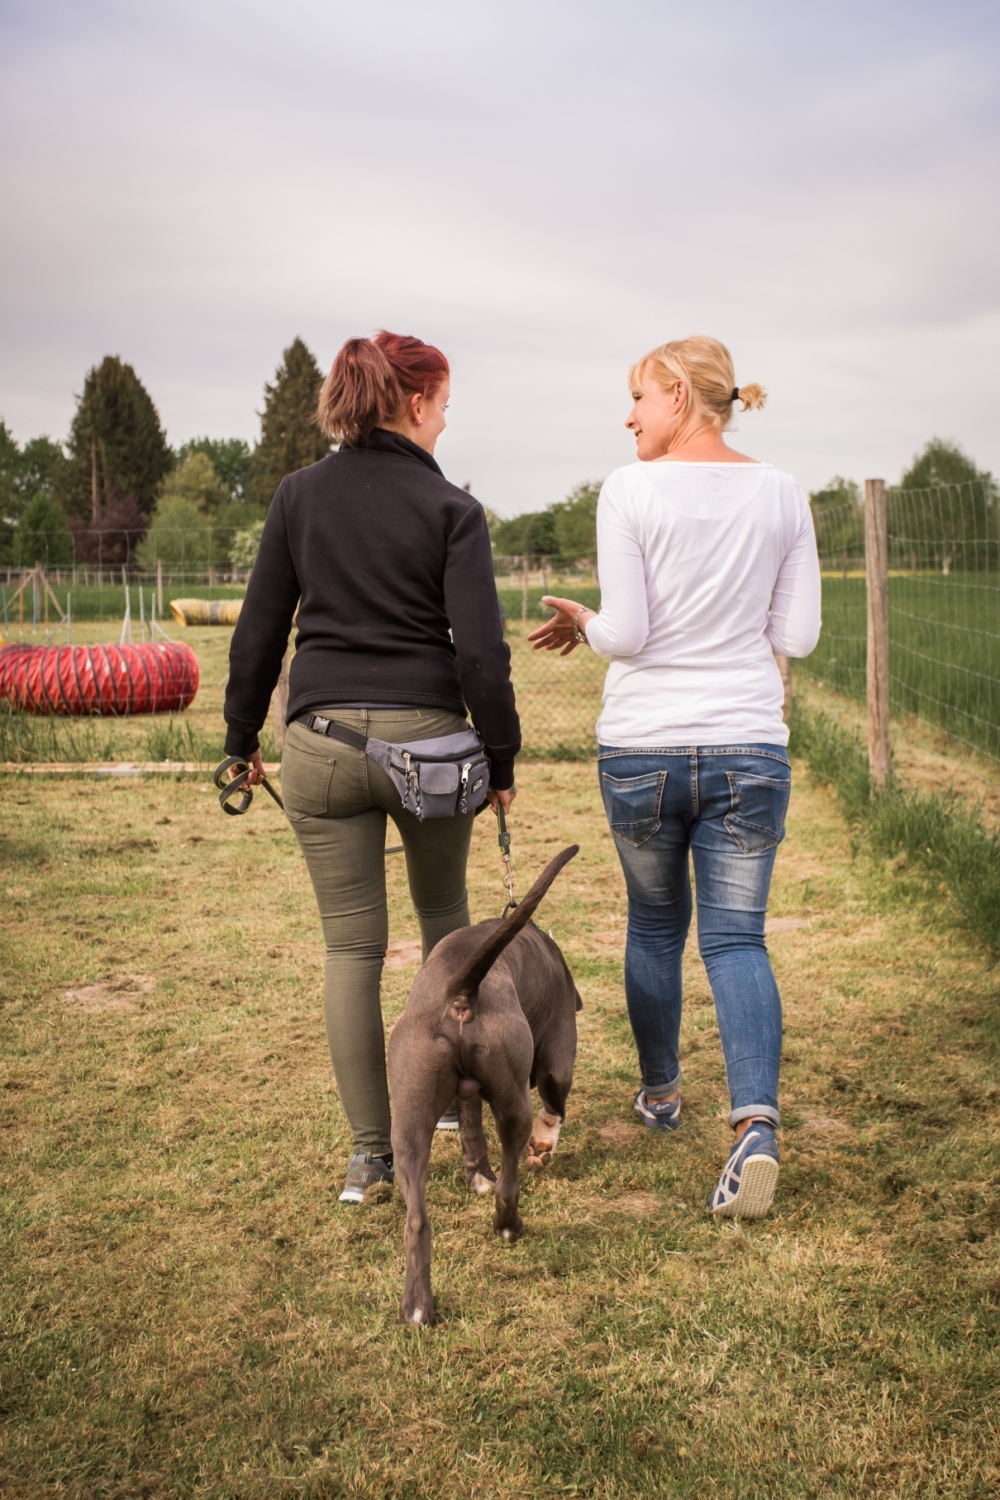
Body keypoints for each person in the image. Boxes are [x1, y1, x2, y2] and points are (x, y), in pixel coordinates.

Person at [224, 332, 520, 1205]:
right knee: (448, 935)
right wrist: (499, 758)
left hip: (318, 744)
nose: (445, 421)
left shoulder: (296, 496)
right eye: (446, 406)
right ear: (419, 404)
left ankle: (370, 1157)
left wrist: (241, 741)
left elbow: (259, 632)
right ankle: (451, 1121)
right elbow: (481, 658)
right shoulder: (451, 509)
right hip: (430, 751)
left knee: (350, 947)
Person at [528, 335, 820, 1219]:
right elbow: (797, 636)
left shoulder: (630, 490)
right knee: (737, 940)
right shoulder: (782, 493)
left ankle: (660, 1094)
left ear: (682, 399)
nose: (628, 417)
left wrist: (586, 618)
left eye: (639, 400)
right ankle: (756, 1130)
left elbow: (626, 634)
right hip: (747, 745)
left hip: (645, 747)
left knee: (655, 926)